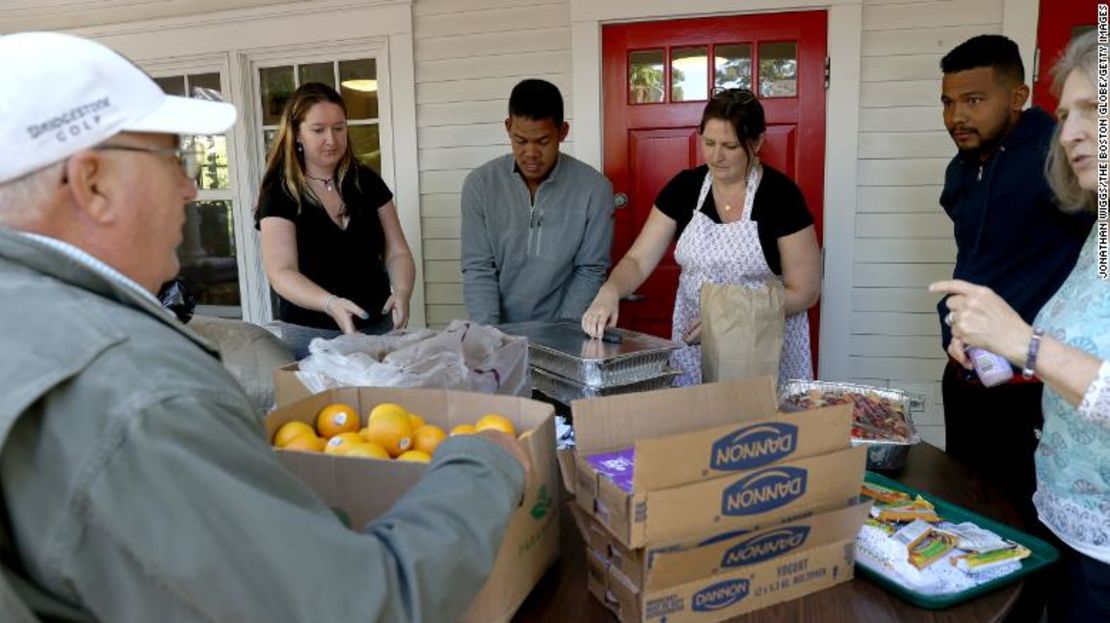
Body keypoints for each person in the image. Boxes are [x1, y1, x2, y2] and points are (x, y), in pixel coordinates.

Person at [0, 32, 529, 622]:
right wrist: (485, 463)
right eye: (171, 159)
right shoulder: (141, 391)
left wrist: (398, 291)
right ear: (93, 183)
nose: (191, 186)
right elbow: (354, 605)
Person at [931, 31, 1108, 622]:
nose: (1074, 132)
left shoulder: (1050, 165)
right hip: (1048, 477)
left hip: (1034, 401)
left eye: (1093, 110)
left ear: (1017, 96)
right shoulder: (964, 170)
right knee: (982, 532)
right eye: (1067, 115)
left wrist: (1023, 345)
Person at [582, 88, 821, 386]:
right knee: (695, 424)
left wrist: (727, 318)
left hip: (762, 343)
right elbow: (638, 259)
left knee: (759, 428)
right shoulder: (684, 189)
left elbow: (806, 291)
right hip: (693, 342)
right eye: (709, 143)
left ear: (757, 142)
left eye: (730, 146)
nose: (716, 156)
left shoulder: (781, 197)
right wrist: (610, 290)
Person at [256, 82, 415, 359]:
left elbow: (397, 252)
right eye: (318, 130)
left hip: (378, 329)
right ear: (297, 134)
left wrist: (402, 290)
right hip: (311, 338)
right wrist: (330, 304)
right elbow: (281, 272)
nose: (332, 139)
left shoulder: (366, 181)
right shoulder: (279, 193)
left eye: (339, 128)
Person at [461, 78, 614, 325]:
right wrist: (490, 335)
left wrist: (563, 334)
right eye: (520, 140)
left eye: (543, 141)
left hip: (565, 327)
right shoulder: (480, 185)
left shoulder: (595, 189)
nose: (530, 153)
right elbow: (479, 268)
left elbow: (590, 270)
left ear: (563, 132)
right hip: (498, 328)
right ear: (508, 127)